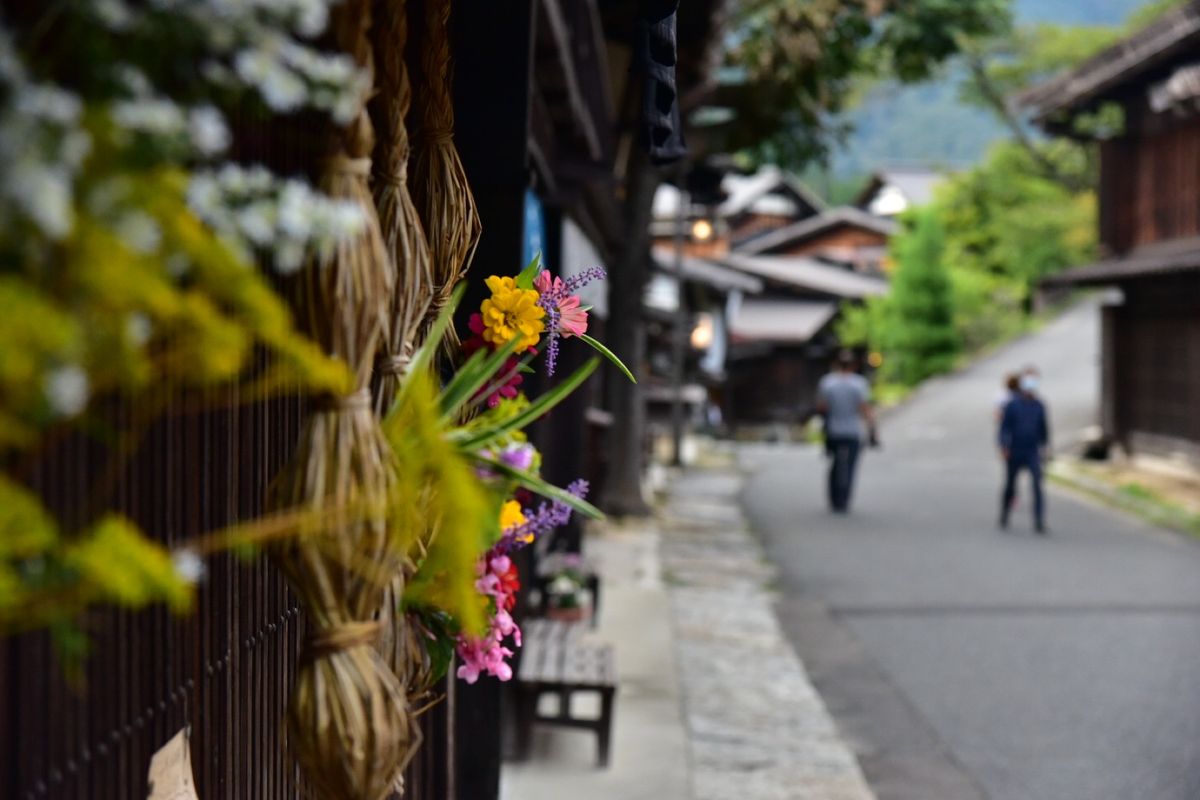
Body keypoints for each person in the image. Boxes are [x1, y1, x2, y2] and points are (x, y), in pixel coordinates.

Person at [816, 350, 876, 513]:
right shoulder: (859, 383)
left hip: (833, 430)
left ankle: (833, 499)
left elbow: (822, 407)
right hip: (852, 431)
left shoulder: (827, 382)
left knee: (834, 464)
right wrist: (872, 430)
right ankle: (844, 500)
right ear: (854, 366)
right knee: (850, 466)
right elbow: (865, 408)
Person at [998, 370, 1050, 533]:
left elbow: (1044, 429)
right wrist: (1004, 446)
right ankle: (1005, 512)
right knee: (1011, 485)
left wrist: (1046, 448)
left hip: (1032, 450)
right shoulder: (1012, 405)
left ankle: (1039, 520)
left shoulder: (1039, 405)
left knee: (1037, 484)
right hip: (1015, 449)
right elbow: (1004, 428)